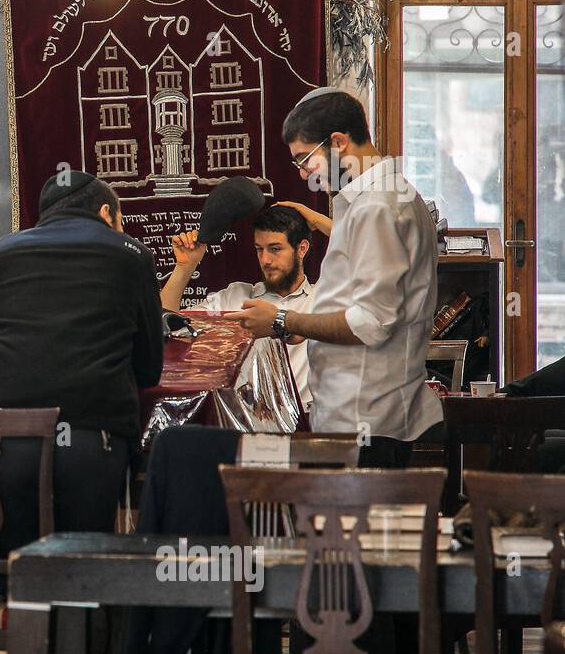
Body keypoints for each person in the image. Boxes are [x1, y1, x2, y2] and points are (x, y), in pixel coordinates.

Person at [0, 171, 163, 586]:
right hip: (92, 439)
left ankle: (26, 633)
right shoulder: (131, 253)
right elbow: (148, 368)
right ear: (107, 213)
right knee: (84, 568)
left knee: (17, 564)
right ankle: (85, 640)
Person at [225, 87, 442, 467]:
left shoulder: (377, 206)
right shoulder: (382, 197)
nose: (305, 174)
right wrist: (304, 326)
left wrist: (280, 319)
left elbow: (370, 324)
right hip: (365, 412)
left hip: (365, 414)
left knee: (352, 526)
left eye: (305, 160)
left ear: (339, 143)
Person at [160, 205, 318, 411]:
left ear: (302, 249)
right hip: (239, 425)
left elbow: (372, 254)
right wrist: (184, 267)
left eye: (275, 249)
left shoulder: (322, 297)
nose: (265, 260)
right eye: (259, 249)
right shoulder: (235, 296)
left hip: (307, 425)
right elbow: (165, 326)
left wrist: (317, 220)